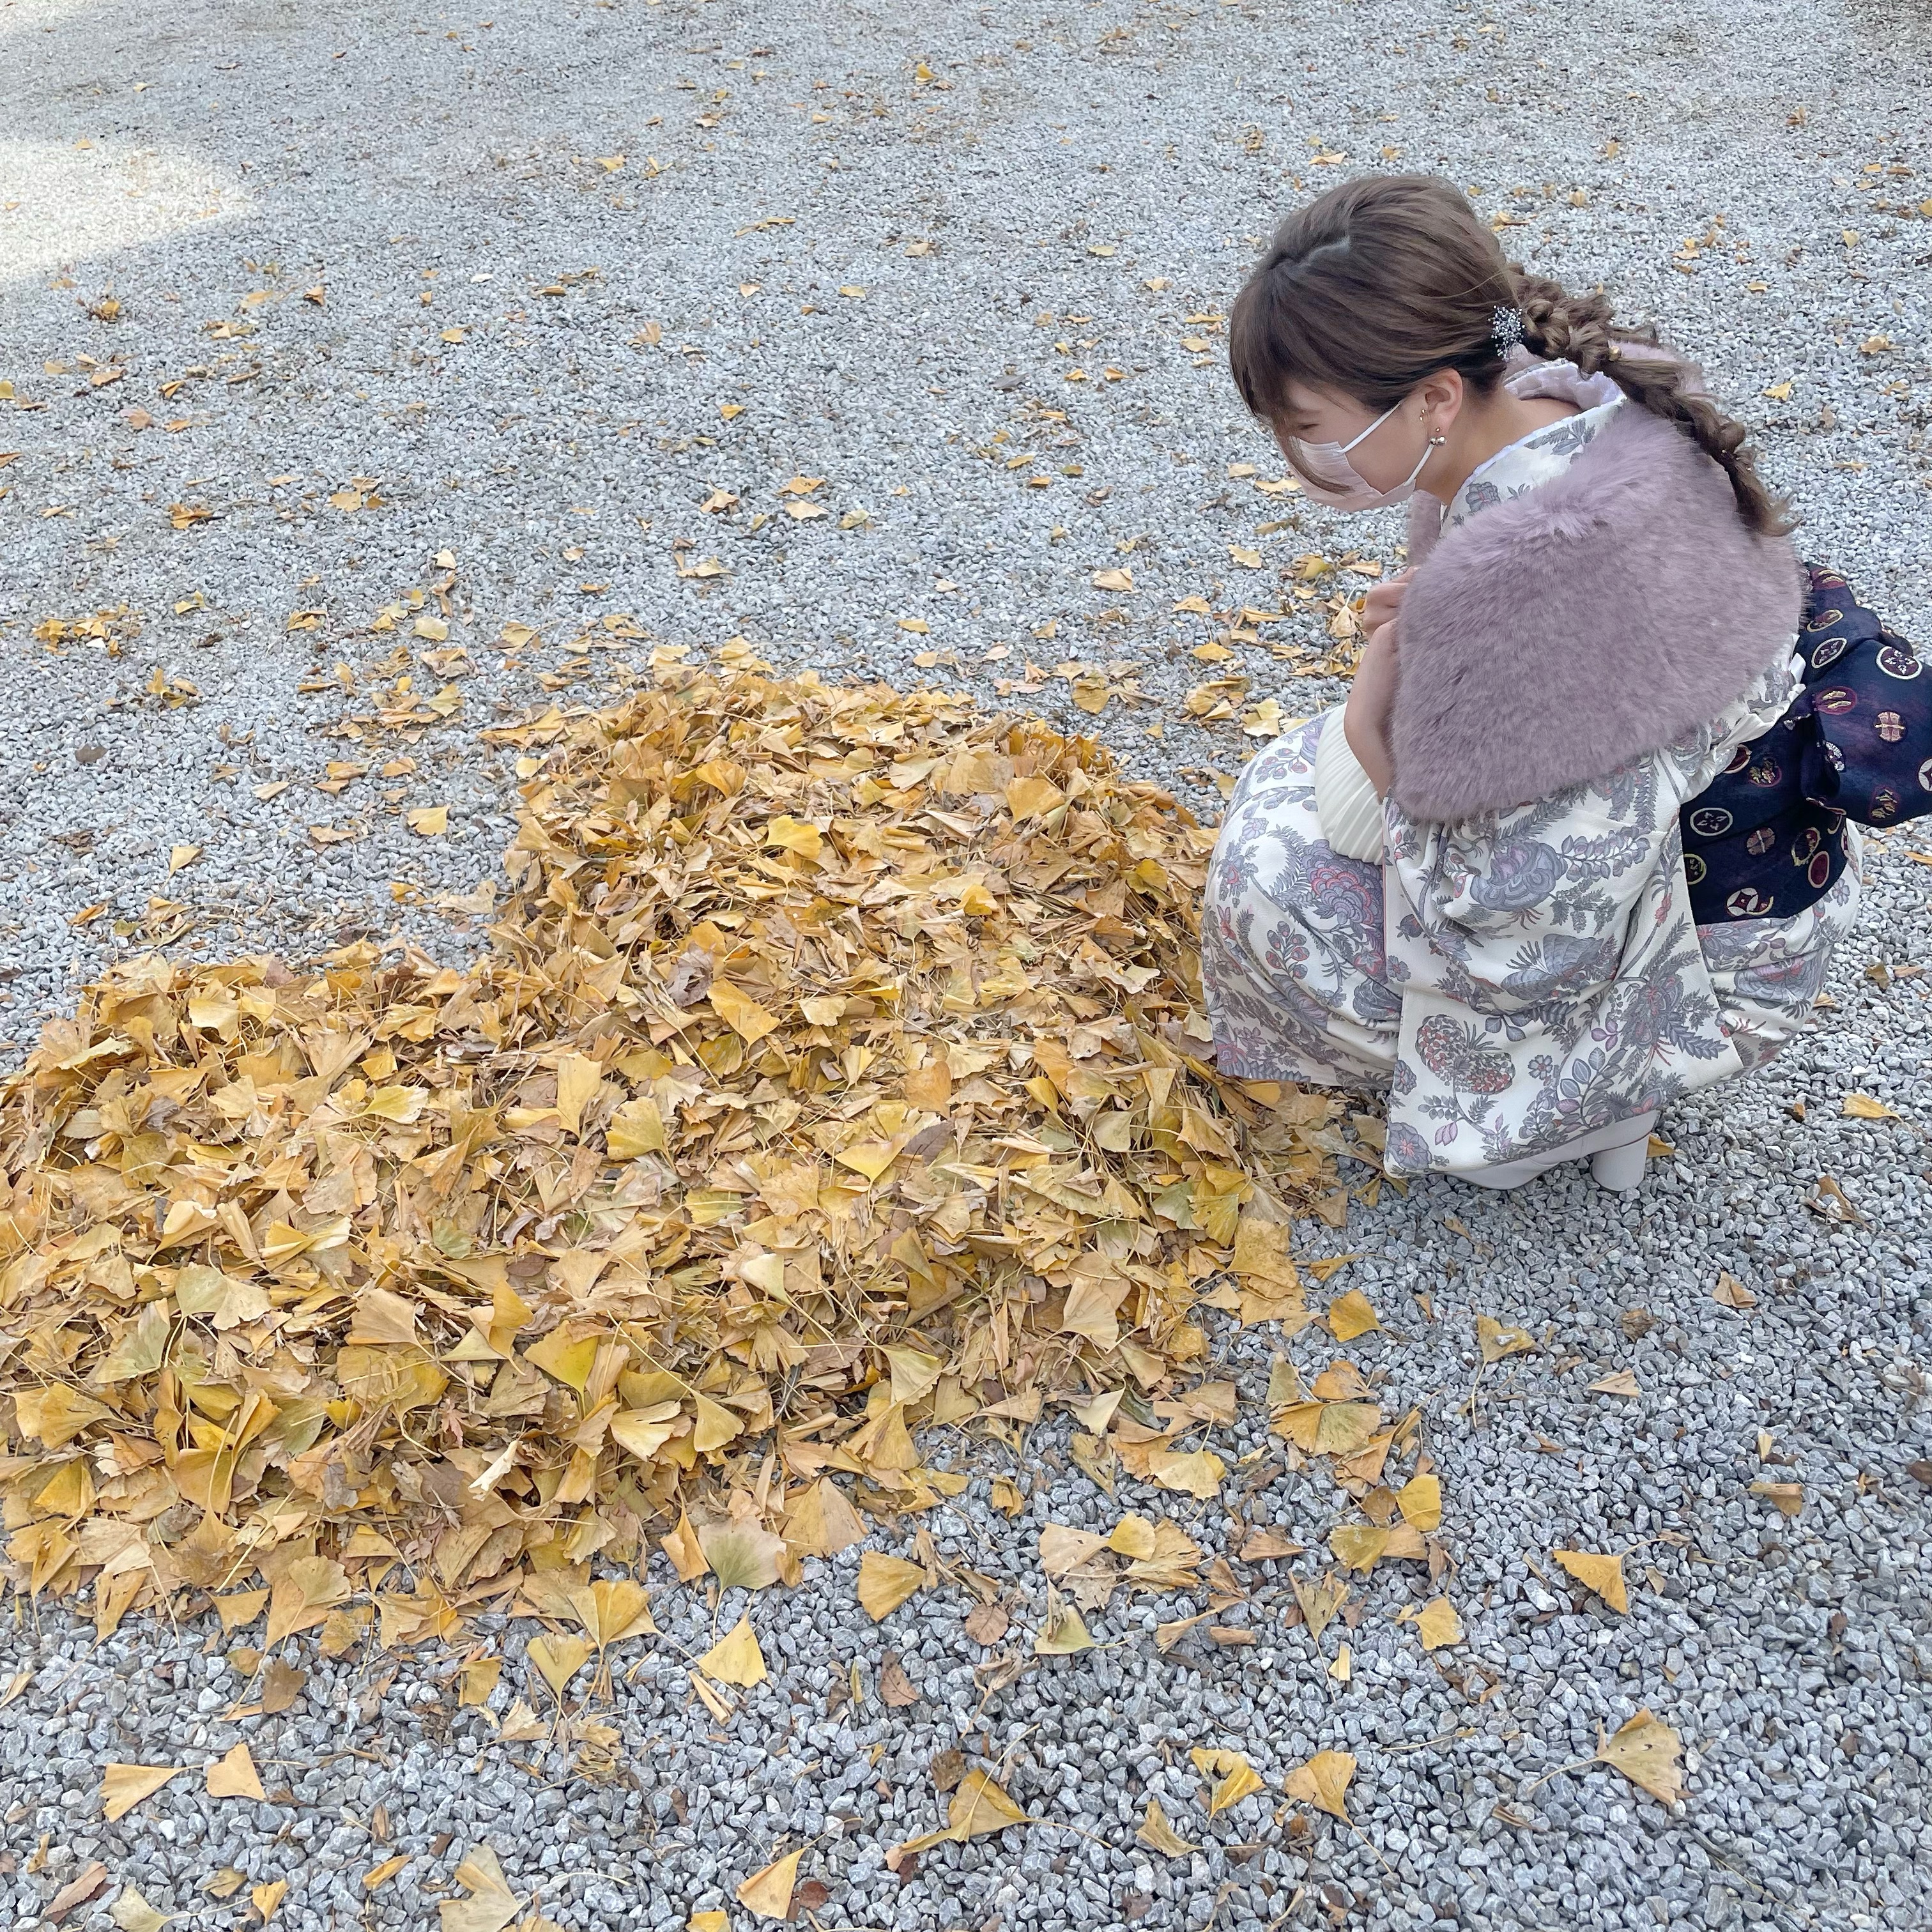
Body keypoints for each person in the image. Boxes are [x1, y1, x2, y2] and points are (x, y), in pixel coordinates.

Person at [1203, 174, 1926, 1190]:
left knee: (1263, 882)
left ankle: (1560, 1115)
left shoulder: (1523, 582)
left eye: (1316, 427)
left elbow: (1516, 922)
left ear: (1436, 396)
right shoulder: (1588, 405)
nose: (1304, 454)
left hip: (1710, 968)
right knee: (1292, 791)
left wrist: (1375, 716)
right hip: (1751, 883)